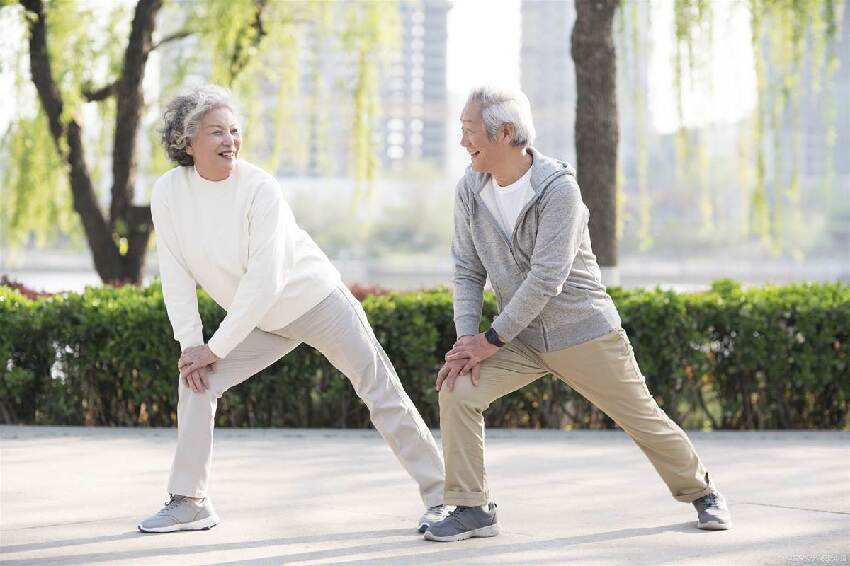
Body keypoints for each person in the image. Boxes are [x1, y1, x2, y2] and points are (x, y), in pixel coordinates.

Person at [423, 86, 731, 543]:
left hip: (582, 333)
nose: (463, 142)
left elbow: (548, 277)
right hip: (519, 339)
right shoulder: (470, 188)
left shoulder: (558, 190)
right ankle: (472, 508)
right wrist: (467, 344)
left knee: (641, 416)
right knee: (458, 389)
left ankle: (702, 491)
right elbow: (467, 271)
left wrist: (489, 340)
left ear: (505, 133)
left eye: (469, 132)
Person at [138, 85, 448, 533]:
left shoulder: (260, 187)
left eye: (234, 130)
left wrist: (217, 345)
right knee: (196, 383)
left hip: (315, 301)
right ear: (187, 143)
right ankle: (190, 500)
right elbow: (175, 275)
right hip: (259, 320)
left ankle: (446, 497)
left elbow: (266, 280)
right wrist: (192, 347)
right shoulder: (169, 192)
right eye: (215, 133)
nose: (230, 140)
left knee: (380, 391)